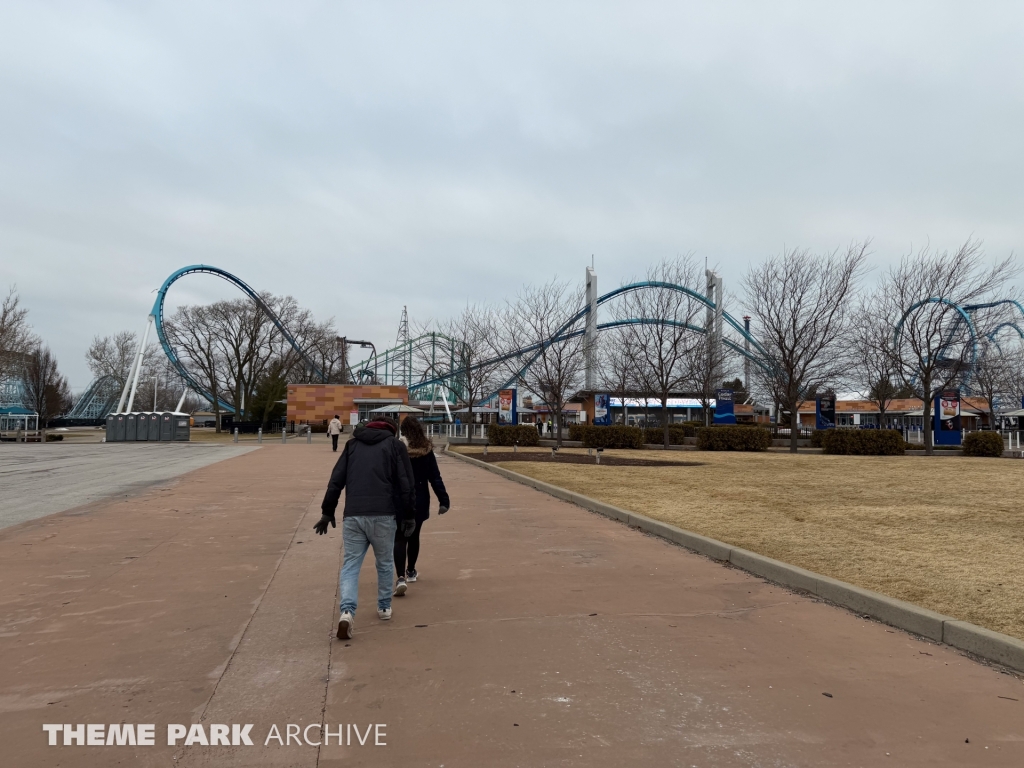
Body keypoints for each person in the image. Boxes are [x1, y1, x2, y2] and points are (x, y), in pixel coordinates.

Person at [314, 417, 416, 640]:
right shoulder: (395, 445)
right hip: (384, 513)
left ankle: (347, 611)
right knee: (385, 562)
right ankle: (384, 607)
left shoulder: (352, 445)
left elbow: (336, 480)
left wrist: (327, 511)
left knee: (351, 564)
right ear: (392, 430)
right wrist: (409, 515)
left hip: (354, 514)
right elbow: (406, 483)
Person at [393, 417, 450, 595]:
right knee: (414, 535)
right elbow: (435, 477)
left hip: (399, 498)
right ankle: (411, 570)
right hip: (420, 497)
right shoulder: (426, 451)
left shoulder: (397, 449)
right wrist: (443, 500)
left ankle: (400, 576)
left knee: (399, 537)